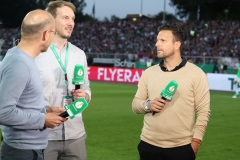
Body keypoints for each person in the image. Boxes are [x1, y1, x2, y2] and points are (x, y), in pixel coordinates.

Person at [132, 24, 210, 160]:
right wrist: (148, 105)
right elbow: (135, 105)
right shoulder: (149, 73)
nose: (157, 44)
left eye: (162, 41)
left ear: (177, 45)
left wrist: (196, 142)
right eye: (157, 40)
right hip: (148, 145)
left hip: (181, 148)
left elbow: (203, 111)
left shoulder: (196, 74)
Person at [0, 9, 67, 160]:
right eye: (53, 32)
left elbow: (21, 102)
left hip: (27, 150)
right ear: (45, 34)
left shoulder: (20, 58)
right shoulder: (19, 64)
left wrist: (46, 109)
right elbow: (3, 112)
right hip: (21, 152)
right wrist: (43, 119)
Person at [35, 1, 91, 160]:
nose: (71, 23)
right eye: (65, 18)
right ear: (51, 21)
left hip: (76, 135)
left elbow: (87, 89)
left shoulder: (79, 54)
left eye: (73, 19)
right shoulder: (36, 52)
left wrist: (85, 96)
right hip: (44, 136)